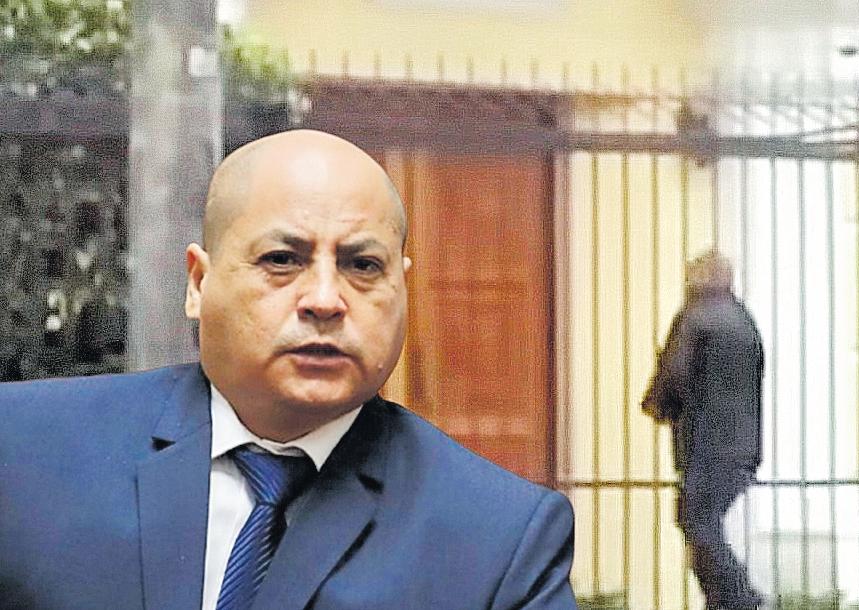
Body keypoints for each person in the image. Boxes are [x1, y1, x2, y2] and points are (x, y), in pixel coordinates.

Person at [0, 130, 577, 610]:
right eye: (281, 260)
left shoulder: (498, 540)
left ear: (402, 286)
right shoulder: (23, 453)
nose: (325, 300)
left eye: (362, 265)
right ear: (199, 283)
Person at [642, 251, 764, 610]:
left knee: (696, 521)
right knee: (701, 521)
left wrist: (658, 404)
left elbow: (675, 373)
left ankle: (741, 598)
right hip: (744, 447)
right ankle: (722, 601)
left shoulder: (694, 318)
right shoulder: (744, 320)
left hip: (705, 444)